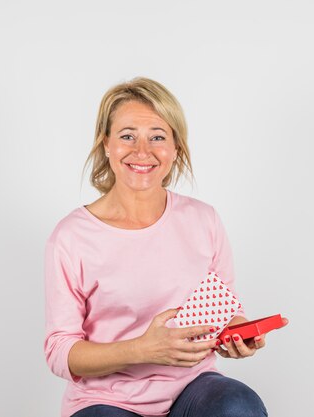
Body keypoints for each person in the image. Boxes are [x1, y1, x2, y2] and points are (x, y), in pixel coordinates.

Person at [44, 77, 288, 417]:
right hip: (106, 400)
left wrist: (236, 334)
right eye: (127, 135)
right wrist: (142, 349)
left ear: (175, 148)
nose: (142, 151)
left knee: (238, 406)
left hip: (192, 388)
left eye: (157, 137)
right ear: (107, 145)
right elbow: (60, 351)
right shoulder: (71, 236)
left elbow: (222, 312)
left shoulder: (204, 220)